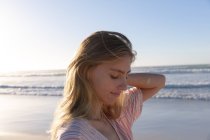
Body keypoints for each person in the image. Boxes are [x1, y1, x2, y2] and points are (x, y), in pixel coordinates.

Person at [50, 31, 165, 140]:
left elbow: (159, 81)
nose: (124, 87)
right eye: (114, 75)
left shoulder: (118, 114)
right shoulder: (75, 136)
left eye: (126, 75)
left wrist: (121, 77)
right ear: (86, 72)